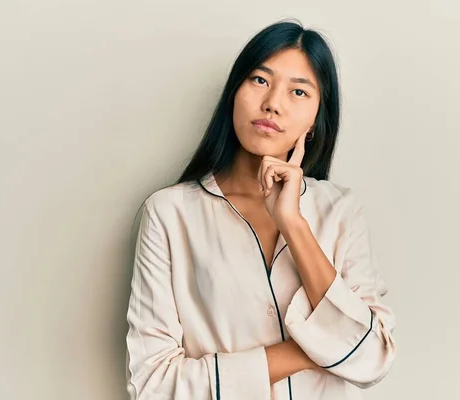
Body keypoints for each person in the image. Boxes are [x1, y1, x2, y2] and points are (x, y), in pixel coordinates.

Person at [125, 19, 396, 400]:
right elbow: (152, 385)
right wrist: (313, 349)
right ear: (233, 94)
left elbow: (371, 360)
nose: (273, 103)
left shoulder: (340, 211)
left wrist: (293, 223)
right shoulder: (170, 213)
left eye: (299, 92)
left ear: (317, 121)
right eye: (259, 80)